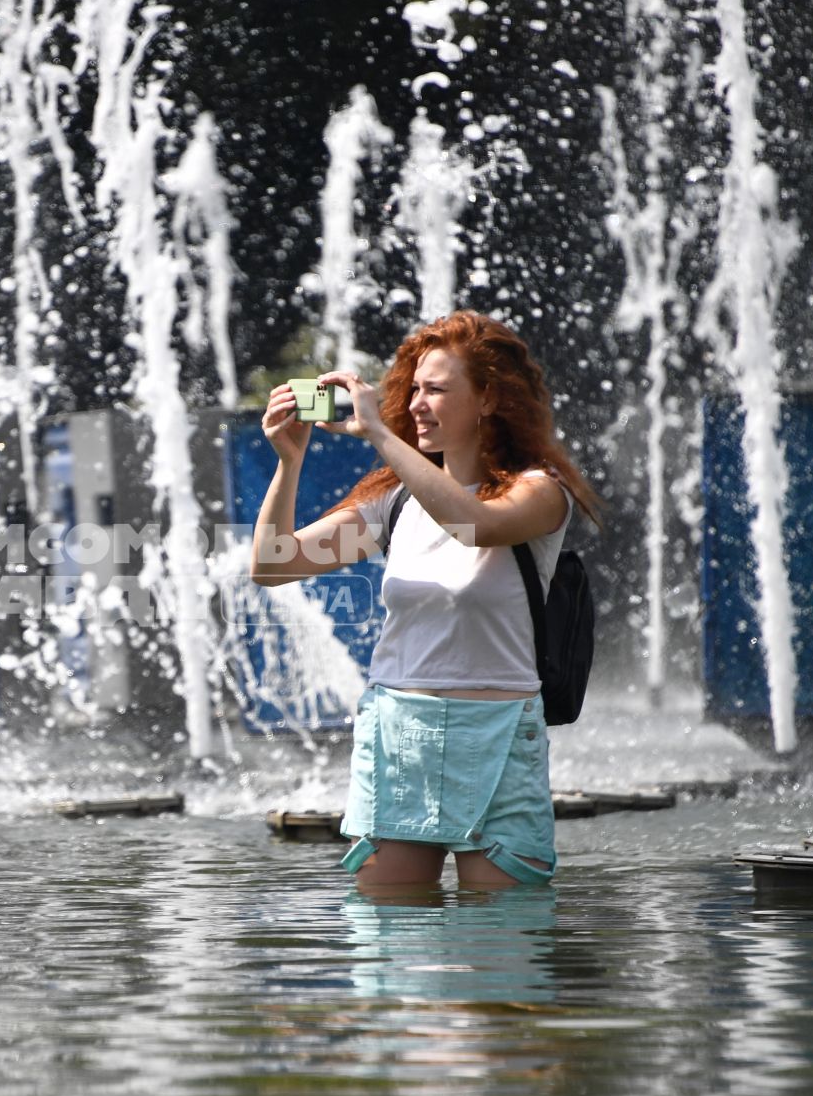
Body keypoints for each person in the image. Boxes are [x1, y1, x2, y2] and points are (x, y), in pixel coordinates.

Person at [249, 310, 600, 891]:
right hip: (398, 736)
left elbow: (476, 525)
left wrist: (381, 438)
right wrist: (288, 462)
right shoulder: (396, 503)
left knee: (499, 951)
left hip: (496, 738)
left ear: (488, 399)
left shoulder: (539, 492)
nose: (415, 404)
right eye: (412, 389)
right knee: (390, 950)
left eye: (435, 389)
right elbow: (274, 562)